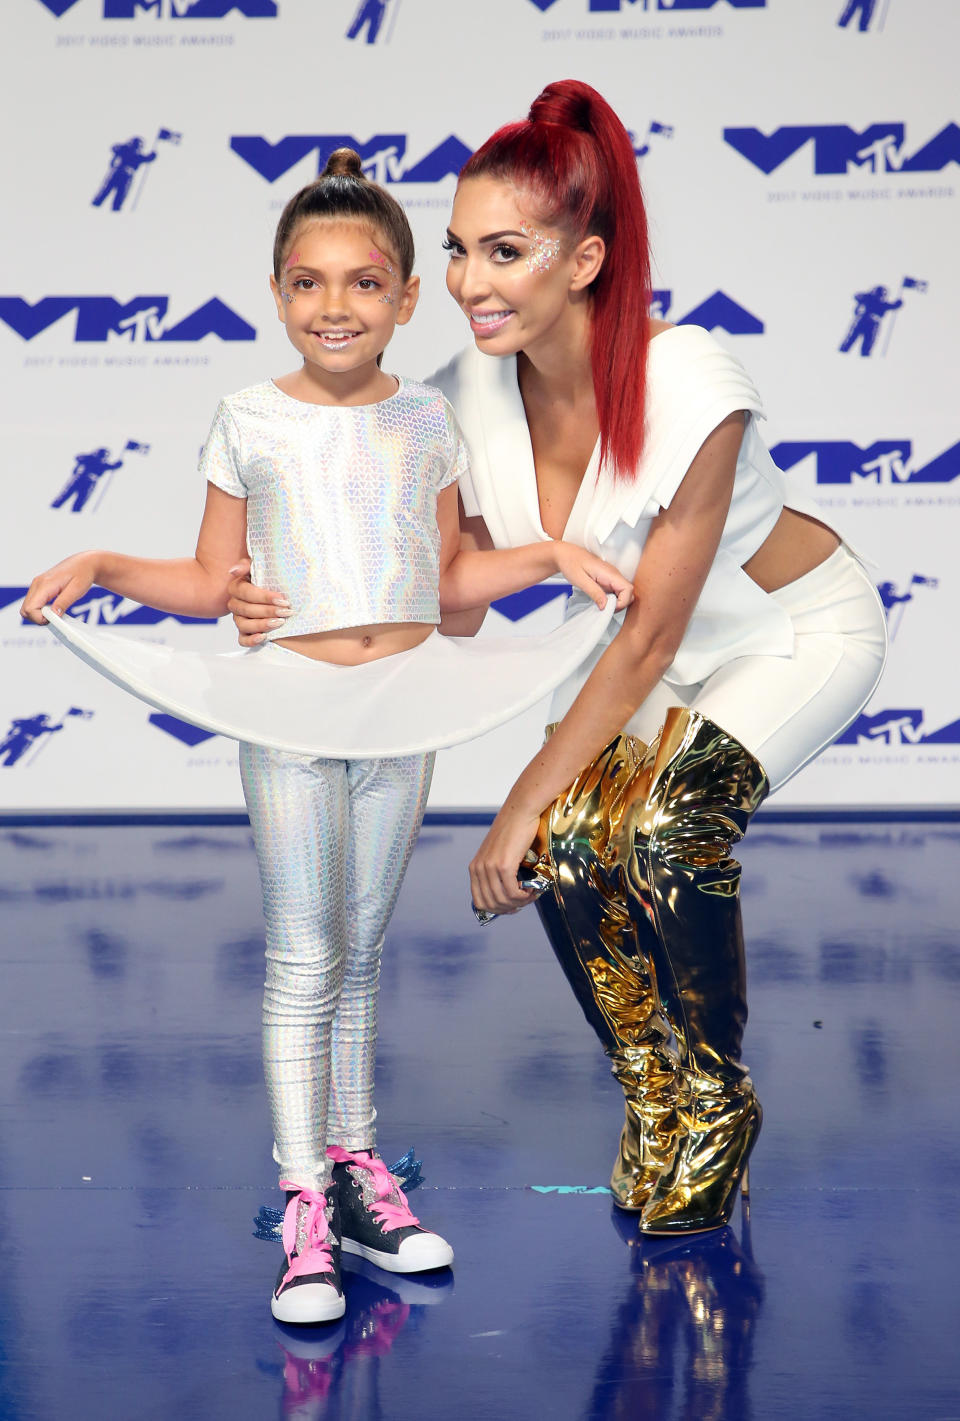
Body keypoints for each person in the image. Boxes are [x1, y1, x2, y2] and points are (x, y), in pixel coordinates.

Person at [230, 81, 888, 1239]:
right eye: (460, 252)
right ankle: (654, 1089)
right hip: (661, 668)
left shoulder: (695, 380)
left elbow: (652, 632)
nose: (474, 282)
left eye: (506, 251)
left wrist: (518, 797)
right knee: (576, 848)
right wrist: (282, 588)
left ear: (583, 260)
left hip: (790, 632)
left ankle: (716, 1093)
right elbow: (448, 598)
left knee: (661, 825)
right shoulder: (456, 395)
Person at [20, 149, 634, 1322]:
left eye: (363, 284)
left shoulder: (429, 419)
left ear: (407, 298)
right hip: (291, 712)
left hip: (405, 708)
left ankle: (358, 1173)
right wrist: (101, 563)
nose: (334, 307)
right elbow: (213, 580)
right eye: (307, 283)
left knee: (359, 950)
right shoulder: (247, 418)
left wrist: (552, 554)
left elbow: (454, 582)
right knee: (304, 955)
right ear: (276, 292)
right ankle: (302, 1200)